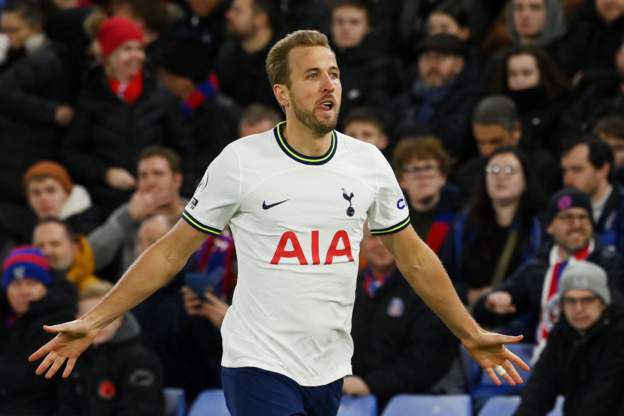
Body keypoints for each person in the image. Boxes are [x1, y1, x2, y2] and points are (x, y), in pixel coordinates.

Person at [30, 30, 528, 416]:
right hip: (257, 362)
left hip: (329, 365)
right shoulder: (241, 161)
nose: (329, 84)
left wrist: (469, 331)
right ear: (283, 93)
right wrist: (93, 321)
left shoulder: (369, 162)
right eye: (312, 75)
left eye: (333, 73)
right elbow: (171, 250)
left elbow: (414, 257)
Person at [61, 15, 192, 212]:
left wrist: (163, 180)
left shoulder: (160, 95)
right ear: (109, 55)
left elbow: (184, 149)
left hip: (157, 201)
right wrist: (105, 173)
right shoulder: (90, 96)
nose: (136, 56)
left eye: (139, 49)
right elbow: (72, 153)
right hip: (105, 203)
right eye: (127, 49)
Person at [473, 188, 624, 356]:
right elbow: (483, 312)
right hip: (544, 361)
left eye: (583, 217)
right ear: (550, 226)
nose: (576, 224)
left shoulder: (611, 265)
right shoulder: (538, 267)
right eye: (567, 217)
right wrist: (492, 304)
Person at [349, 229, 458, 410]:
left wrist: (370, 385)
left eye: (388, 237)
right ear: (359, 241)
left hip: (419, 400)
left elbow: (429, 357)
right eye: (372, 237)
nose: (381, 244)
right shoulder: (348, 287)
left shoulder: (428, 287)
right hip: (353, 395)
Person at [515, 261, 624, 415]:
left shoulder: (619, 335)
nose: (578, 309)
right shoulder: (561, 333)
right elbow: (539, 388)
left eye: (587, 300)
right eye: (571, 300)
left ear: (602, 302)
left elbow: (604, 395)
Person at [441, 147, 545, 307]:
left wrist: (510, 297)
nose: (501, 176)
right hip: (469, 316)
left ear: (525, 179)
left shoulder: (539, 225)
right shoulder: (463, 224)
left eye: (510, 170)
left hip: (520, 316)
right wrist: (469, 294)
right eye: (494, 169)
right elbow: (443, 274)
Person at [0, 0, 73, 204]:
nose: (7, 36)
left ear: (35, 27)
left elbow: (4, 90)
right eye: (3, 30)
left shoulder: (46, 59)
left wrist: (51, 112)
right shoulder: (17, 55)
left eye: (13, 30)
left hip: (28, 156)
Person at [56, 281, 165, 416]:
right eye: (86, 318)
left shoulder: (141, 360)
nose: (95, 326)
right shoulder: (74, 357)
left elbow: (139, 409)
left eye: (104, 318)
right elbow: (66, 406)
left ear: (120, 318)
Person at [88, 146, 186, 277]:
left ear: (177, 180)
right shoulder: (128, 213)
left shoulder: (196, 211)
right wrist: (128, 216)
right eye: (143, 176)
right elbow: (89, 259)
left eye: (158, 174)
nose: (150, 182)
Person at [0, 247, 77, 415]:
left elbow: (32, 377)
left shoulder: (58, 322)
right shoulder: (7, 320)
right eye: (16, 284)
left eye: (31, 283)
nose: (24, 291)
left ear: (46, 286)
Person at [158, 38, 241, 183]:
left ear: (184, 81)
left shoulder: (223, 113)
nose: (164, 82)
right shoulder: (172, 108)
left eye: (167, 77)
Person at [392, 33, 482, 159]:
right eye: (427, 58)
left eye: (441, 58)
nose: (433, 65)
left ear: (458, 64)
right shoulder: (405, 99)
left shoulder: (471, 99)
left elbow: (455, 139)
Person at [453, 95, 560, 196]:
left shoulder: (543, 168)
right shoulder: (468, 175)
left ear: (516, 131)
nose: (487, 151)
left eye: (496, 142)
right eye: (481, 143)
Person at [492, 45, 570, 154]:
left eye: (526, 73)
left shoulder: (560, 109)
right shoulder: (498, 109)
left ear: (542, 75)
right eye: (512, 74)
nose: (519, 80)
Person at [392, 137, 461, 254]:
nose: (422, 176)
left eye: (428, 167)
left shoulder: (459, 221)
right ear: (401, 181)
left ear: (442, 176)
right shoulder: (392, 222)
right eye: (414, 169)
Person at [560, 136, 624, 254]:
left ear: (603, 170)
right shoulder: (560, 208)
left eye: (577, 170)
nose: (567, 180)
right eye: (565, 171)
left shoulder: (621, 207)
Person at [215, 0, 281, 109]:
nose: (228, 15)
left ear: (260, 19)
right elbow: (213, 88)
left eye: (238, 11)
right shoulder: (228, 54)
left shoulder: (285, 57)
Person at [33, 218, 103, 293]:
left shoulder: (96, 292)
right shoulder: (25, 294)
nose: (47, 252)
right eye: (40, 246)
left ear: (75, 248)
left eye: (55, 244)